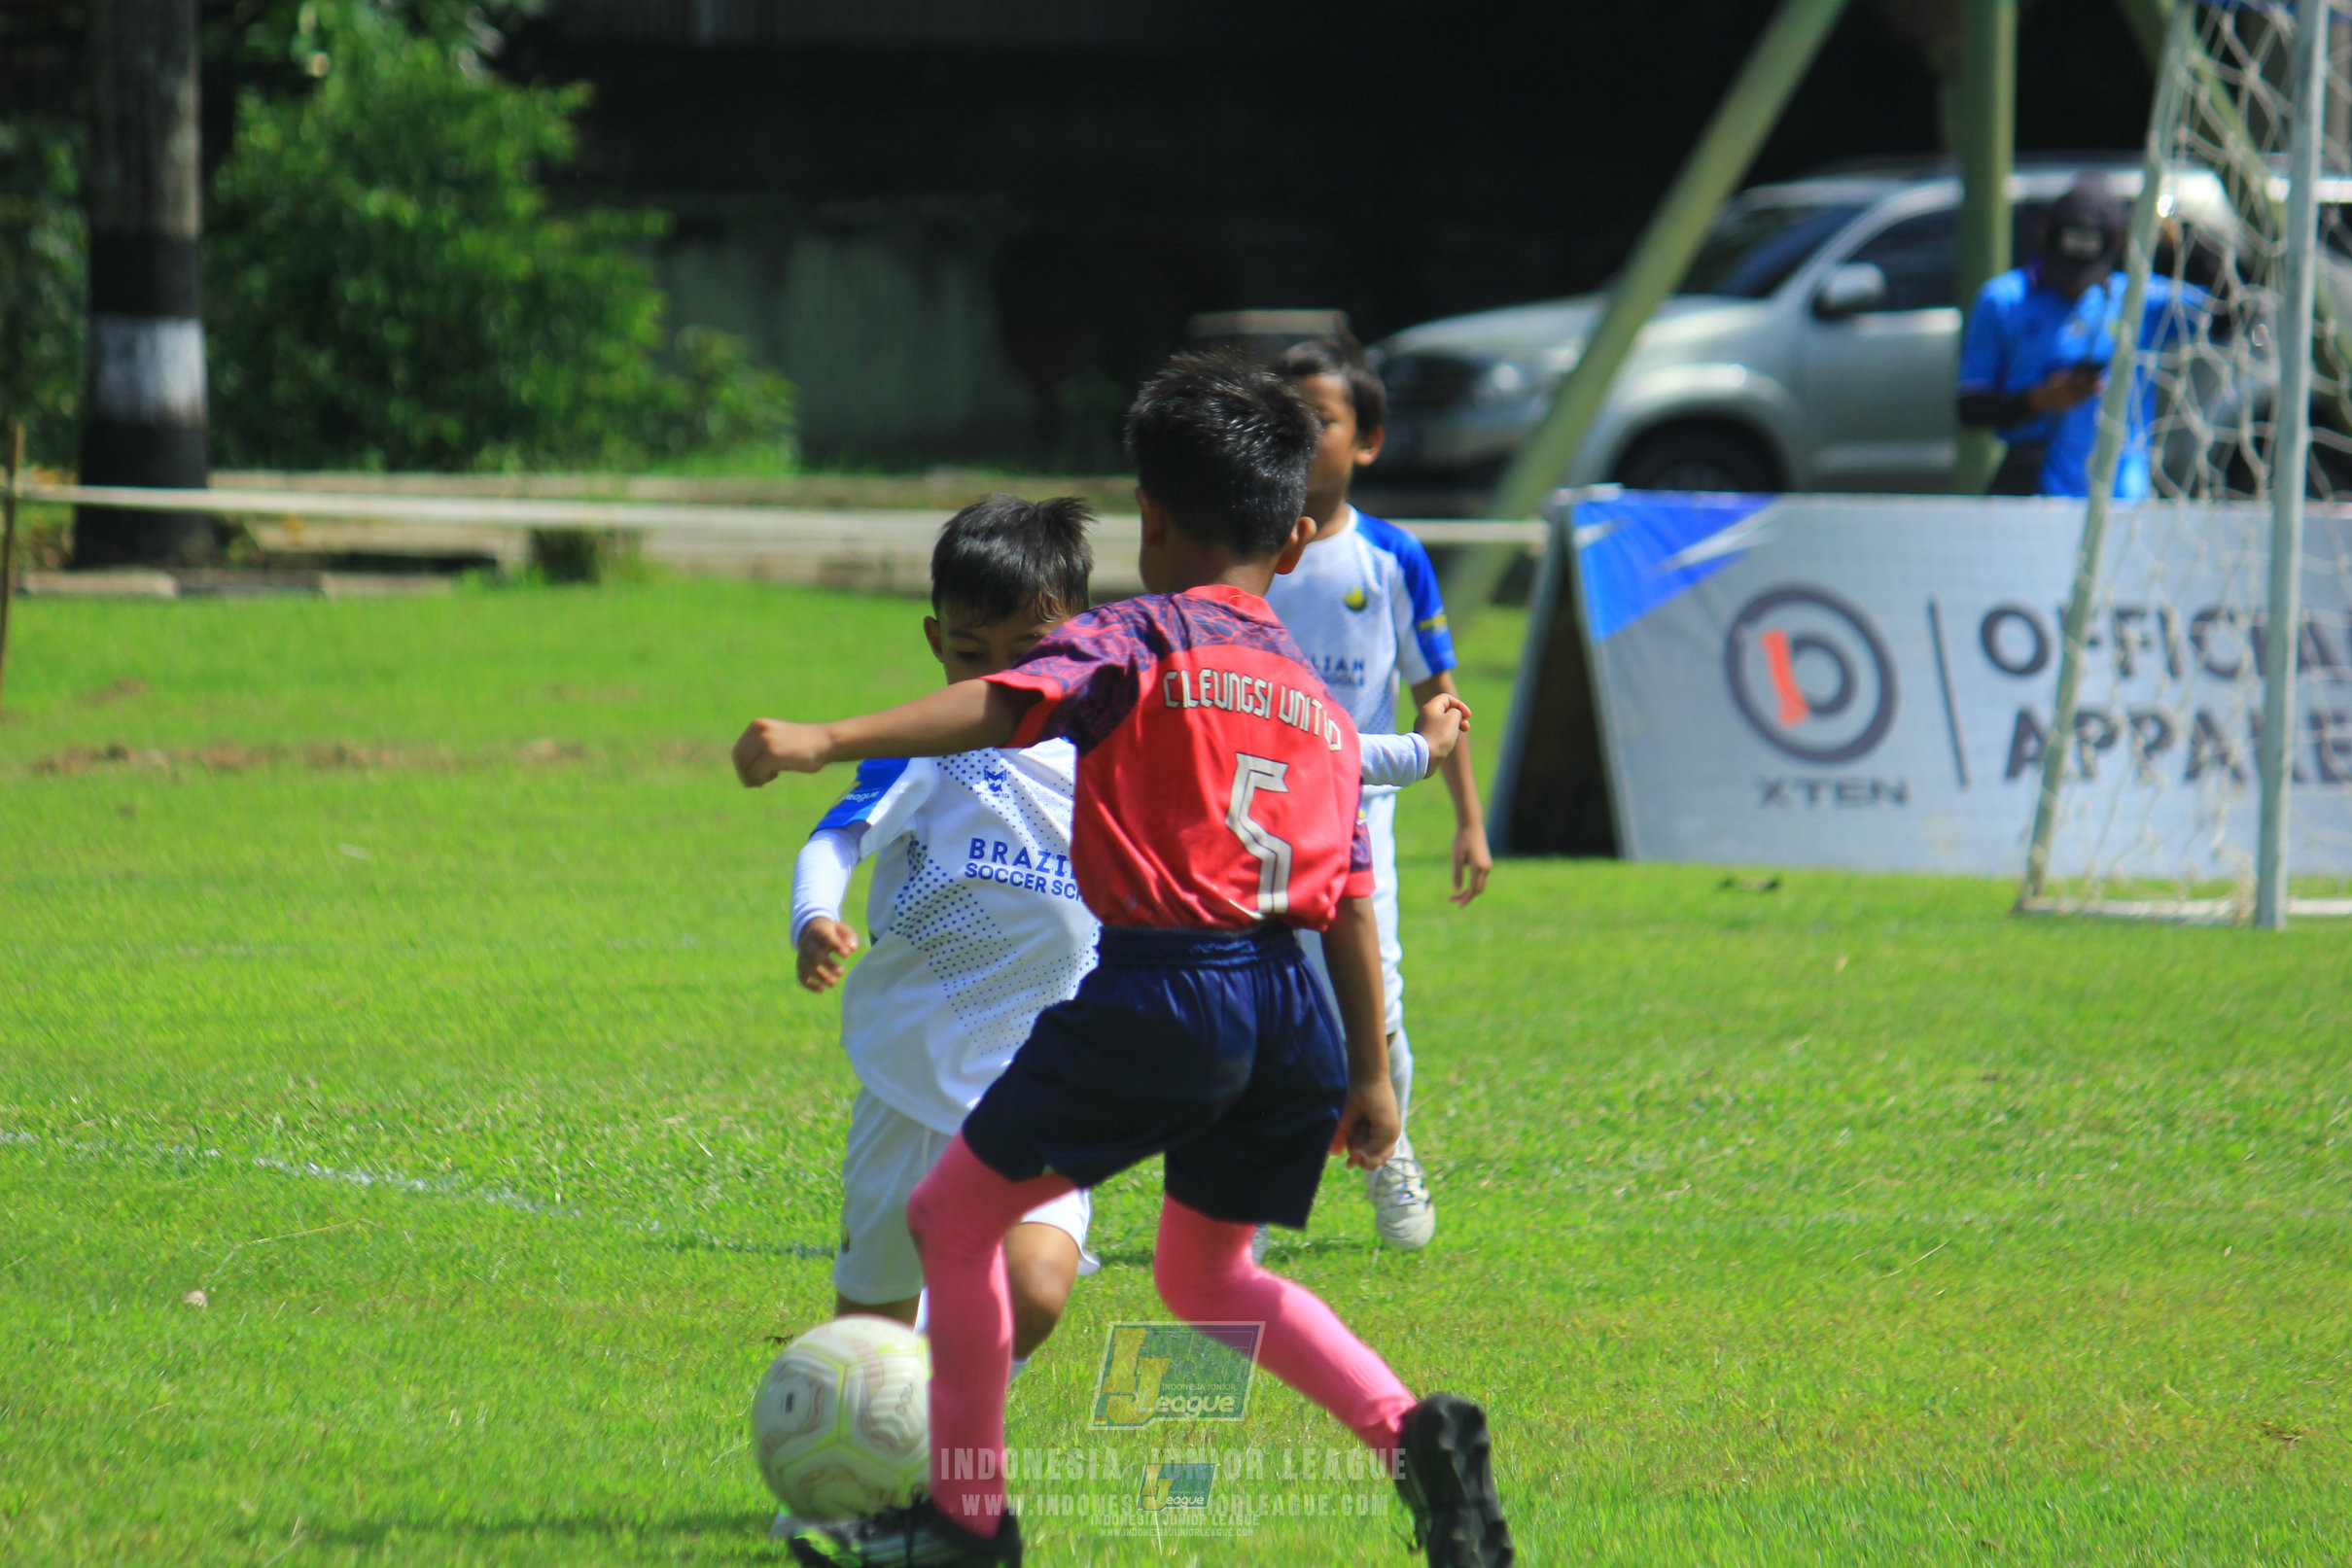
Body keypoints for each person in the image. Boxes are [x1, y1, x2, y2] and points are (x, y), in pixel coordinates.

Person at [736, 353, 1511, 1568]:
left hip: (1168, 987)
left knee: (946, 1213)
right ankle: (1410, 1434)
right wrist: (1371, 1075)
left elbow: (1000, 703)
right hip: (1292, 1016)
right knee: (1210, 1274)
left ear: (1149, 519)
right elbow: (1351, 894)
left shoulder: (1136, 633)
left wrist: (826, 737)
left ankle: (967, 1518)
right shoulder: (1305, 694)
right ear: (1293, 543)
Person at [789, 492, 1460, 1394]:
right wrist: (813, 915)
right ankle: (856, 1457)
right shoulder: (931, 750)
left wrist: (1420, 751)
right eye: (969, 654)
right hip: (908, 1077)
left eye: (1028, 655)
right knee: (867, 1317)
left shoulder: (1117, 733)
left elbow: (1311, 743)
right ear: (934, 639)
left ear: (1074, 641)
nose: (1000, 677)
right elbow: (836, 834)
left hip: (1047, 1070)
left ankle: (937, 1427)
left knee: (1034, 1286)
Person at [1264, 334, 1490, 1253]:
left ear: (1368, 443)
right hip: (1252, 808)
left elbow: (1440, 699)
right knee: (1264, 997)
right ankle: (1256, 1192)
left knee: (1373, 1001)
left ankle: (1386, 1146)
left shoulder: (1392, 557)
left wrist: (1469, 820)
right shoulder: (1245, 546)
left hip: (1359, 814)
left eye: (1321, 420)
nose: (1302, 436)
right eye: (1284, 419)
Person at [1958, 176, 2210, 499]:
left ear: (2117, 245)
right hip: (2034, 494)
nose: (2073, 285)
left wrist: (2181, 236)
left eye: (2086, 273)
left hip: (2123, 501)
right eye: (2064, 270)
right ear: (2044, 235)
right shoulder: (2003, 300)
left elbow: (2229, 313)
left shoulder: (2138, 299)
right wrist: (2040, 399)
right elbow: (1969, 407)